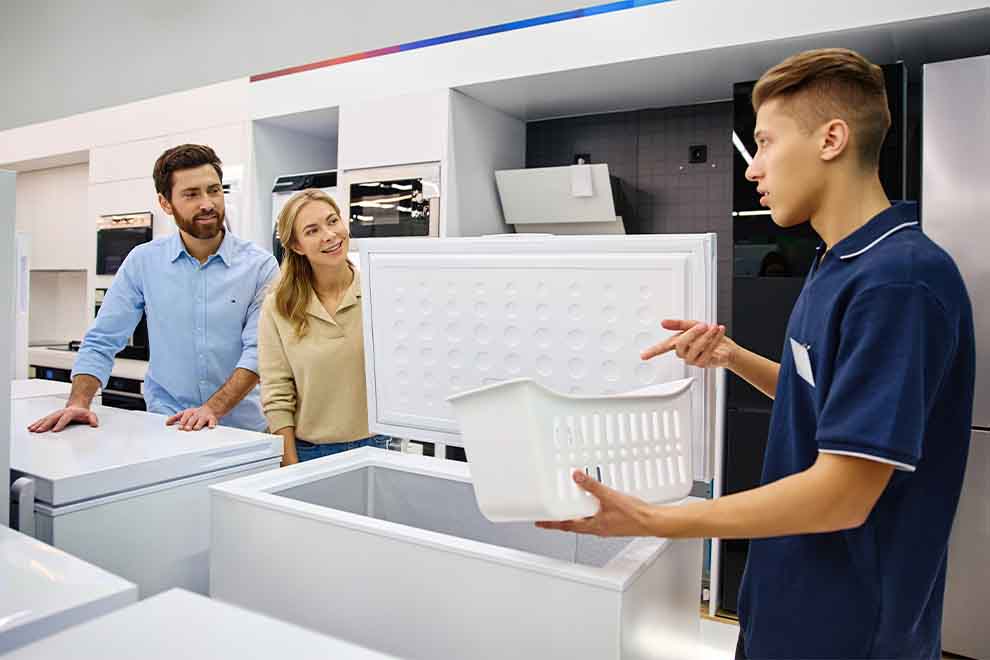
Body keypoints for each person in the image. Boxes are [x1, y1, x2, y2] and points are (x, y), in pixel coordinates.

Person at [537, 48, 974, 660]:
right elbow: (825, 403)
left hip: (850, 629)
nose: (752, 168)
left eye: (765, 143)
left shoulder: (899, 282)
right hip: (787, 601)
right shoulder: (837, 264)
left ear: (831, 139)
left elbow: (843, 494)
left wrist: (658, 520)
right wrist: (733, 357)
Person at [29, 144, 279, 433]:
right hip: (167, 426)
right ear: (165, 203)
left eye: (214, 190)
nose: (207, 203)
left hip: (242, 430)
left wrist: (212, 409)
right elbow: (103, 339)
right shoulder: (143, 261)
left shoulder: (260, 266)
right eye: (191, 194)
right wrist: (79, 402)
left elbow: (258, 352)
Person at [258, 189, 389, 465]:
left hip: (378, 448)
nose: (329, 235)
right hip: (309, 453)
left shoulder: (380, 292)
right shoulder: (278, 307)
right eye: (312, 230)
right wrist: (290, 463)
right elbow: (277, 392)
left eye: (332, 221)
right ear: (296, 246)